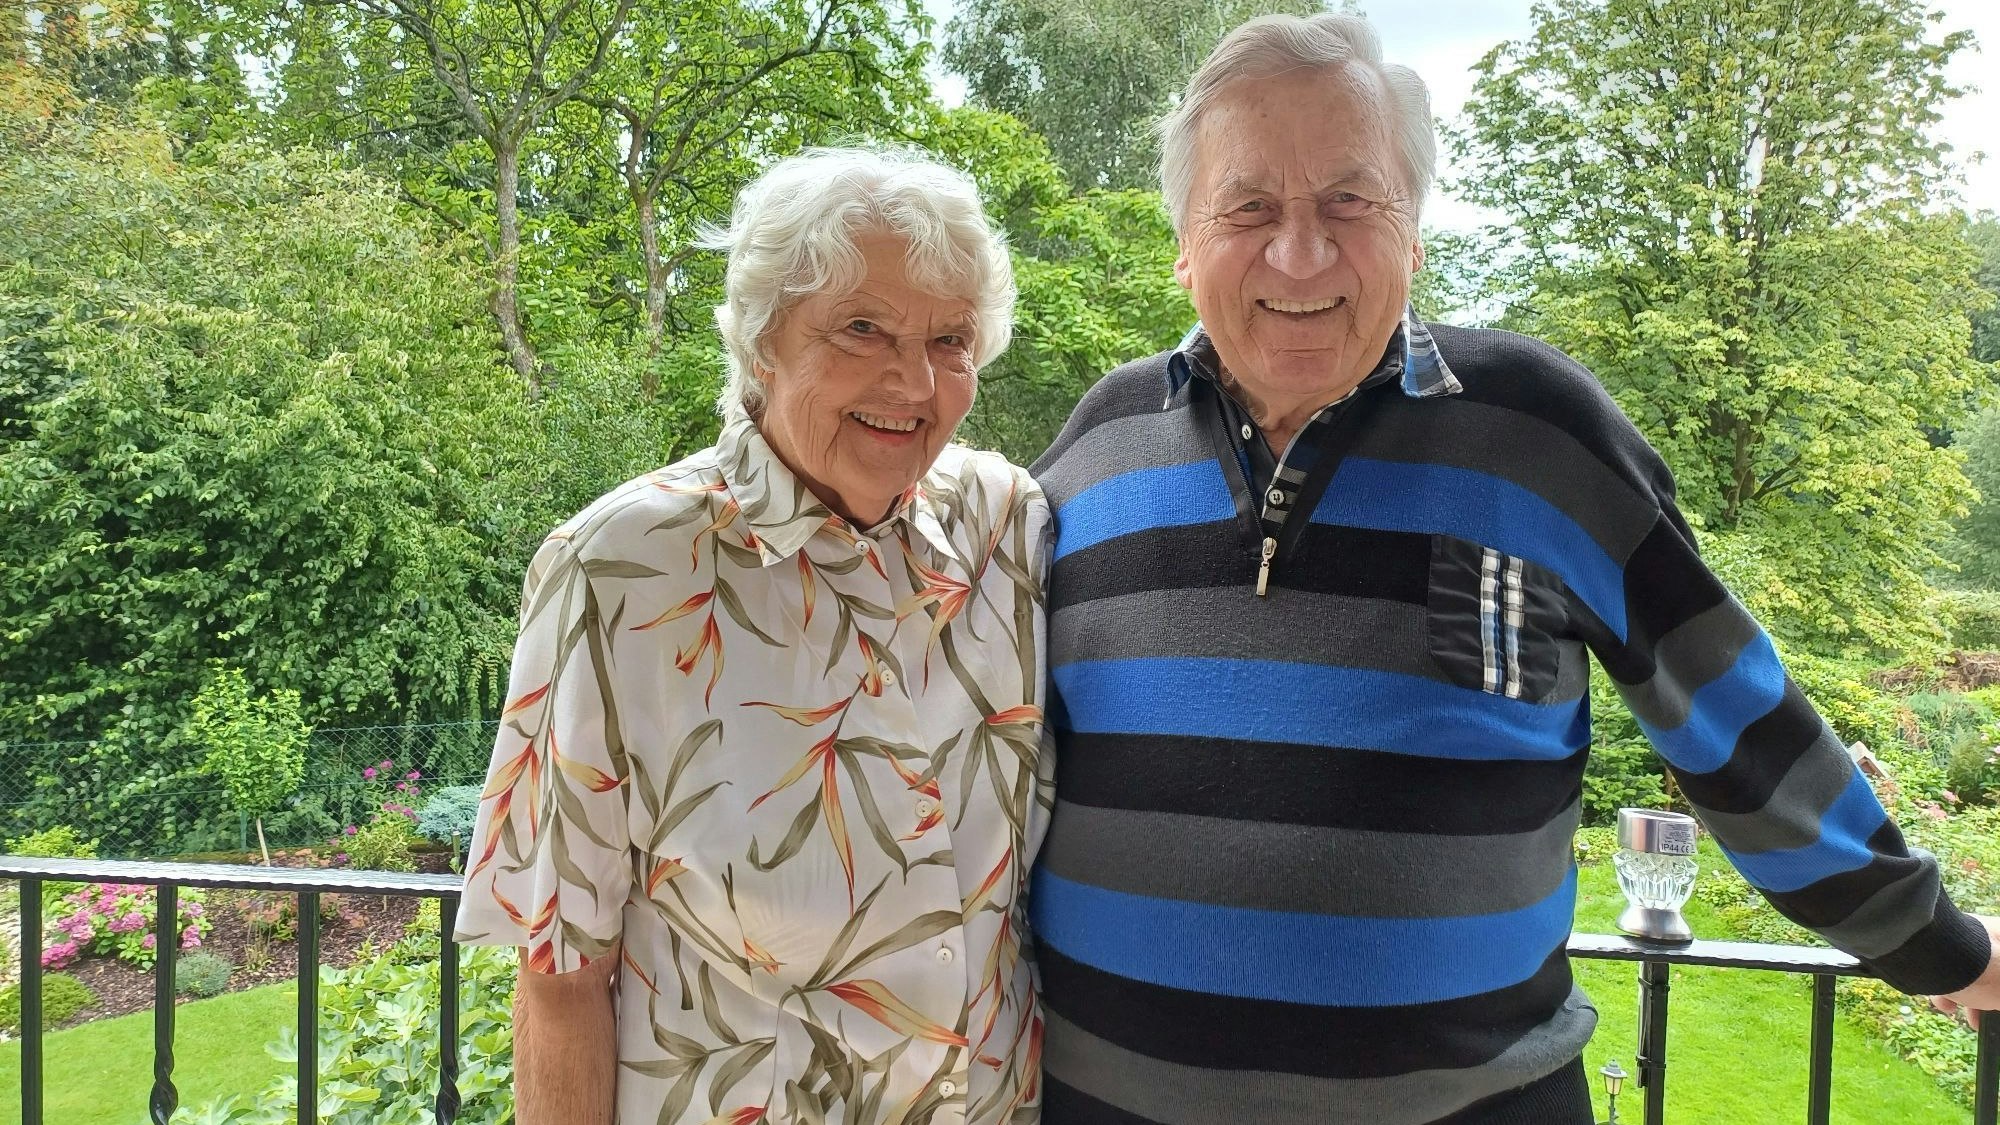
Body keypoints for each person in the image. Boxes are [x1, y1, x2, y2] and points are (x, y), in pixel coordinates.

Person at [1028, 13, 2000, 1125]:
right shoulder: (1090, 452)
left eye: (1350, 201)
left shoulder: (1538, 432)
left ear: (1415, 233)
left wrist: (1939, 948)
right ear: (1184, 246)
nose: (1298, 254)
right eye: (1248, 208)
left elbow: (1730, 716)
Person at [455, 147, 1053, 1125]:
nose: (913, 380)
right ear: (762, 340)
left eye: (950, 339)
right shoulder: (619, 572)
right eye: (861, 328)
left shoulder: (1009, 529)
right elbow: (560, 971)